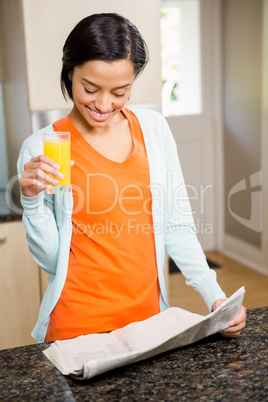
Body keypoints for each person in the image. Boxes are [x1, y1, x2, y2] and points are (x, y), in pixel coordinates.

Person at [18, 13, 246, 344]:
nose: (102, 104)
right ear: (70, 73)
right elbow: (53, 261)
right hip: (76, 328)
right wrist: (31, 201)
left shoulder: (154, 130)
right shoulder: (46, 148)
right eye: (90, 88)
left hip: (150, 323)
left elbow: (177, 227)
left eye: (119, 91)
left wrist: (216, 297)